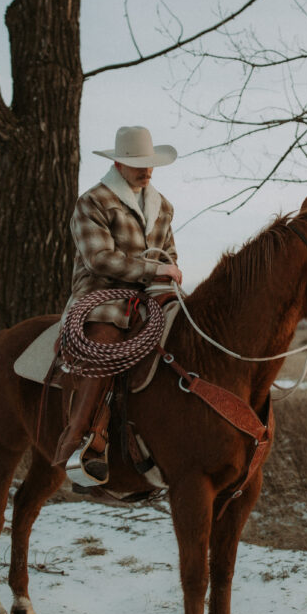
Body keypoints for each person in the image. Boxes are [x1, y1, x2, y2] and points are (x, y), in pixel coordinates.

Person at [53, 125, 183, 484]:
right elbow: (99, 259)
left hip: (150, 294)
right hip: (102, 292)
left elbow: (169, 254)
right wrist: (155, 268)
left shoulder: (163, 206)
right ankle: (83, 442)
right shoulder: (92, 202)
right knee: (106, 342)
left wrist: (168, 273)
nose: (147, 170)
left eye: (149, 164)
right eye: (138, 164)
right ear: (118, 164)